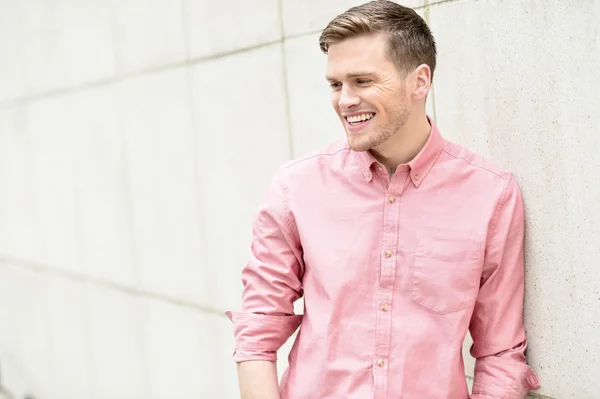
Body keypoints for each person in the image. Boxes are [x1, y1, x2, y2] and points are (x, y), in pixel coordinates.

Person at [225, 1, 540, 398]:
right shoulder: (297, 188)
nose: (345, 100)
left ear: (419, 81)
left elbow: (500, 354)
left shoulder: (491, 195)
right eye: (336, 84)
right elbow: (258, 327)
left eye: (363, 81)